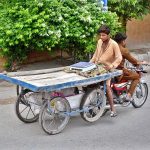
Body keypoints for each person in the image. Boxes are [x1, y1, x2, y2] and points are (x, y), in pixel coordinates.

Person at [90, 25, 122, 117]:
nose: (101, 37)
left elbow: (119, 58)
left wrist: (112, 65)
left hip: (107, 68)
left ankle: (113, 109)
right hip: (96, 67)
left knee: (107, 87)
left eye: (103, 35)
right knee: (89, 83)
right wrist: (88, 64)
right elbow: (95, 55)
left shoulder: (114, 44)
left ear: (109, 35)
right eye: (100, 35)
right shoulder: (99, 42)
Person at [114, 32, 147, 101]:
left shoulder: (112, 47)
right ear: (122, 41)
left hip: (110, 69)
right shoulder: (123, 50)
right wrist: (142, 62)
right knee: (137, 77)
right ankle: (128, 96)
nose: (125, 42)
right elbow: (133, 61)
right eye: (124, 41)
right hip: (119, 71)